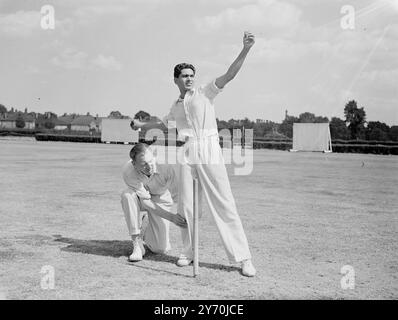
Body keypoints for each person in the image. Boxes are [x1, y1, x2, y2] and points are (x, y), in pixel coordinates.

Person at [133, 31, 256, 277]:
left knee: (223, 202)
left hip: (209, 147)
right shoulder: (176, 105)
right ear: (176, 80)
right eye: (184, 76)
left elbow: (230, 75)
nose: (189, 79)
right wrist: (141, 126)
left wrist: (245, 49)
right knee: (187, 206)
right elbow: (162, 122)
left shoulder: (205, 92)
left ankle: (243, 258)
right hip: (187, 151)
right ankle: (188, 252)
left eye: (191, 75)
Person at [120, 143, 187, 262]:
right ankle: (136, 245)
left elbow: (178, 197)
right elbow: (146, 202)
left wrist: (184, 217)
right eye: (143, 164)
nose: (149, 166)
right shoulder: (128, 171)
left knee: (160, 249)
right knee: (127, 195)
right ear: (134, 164)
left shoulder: (166, 167)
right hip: (141, 200)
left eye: (150, 161)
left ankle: (145, 228)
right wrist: (172, 217)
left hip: (161, 198)